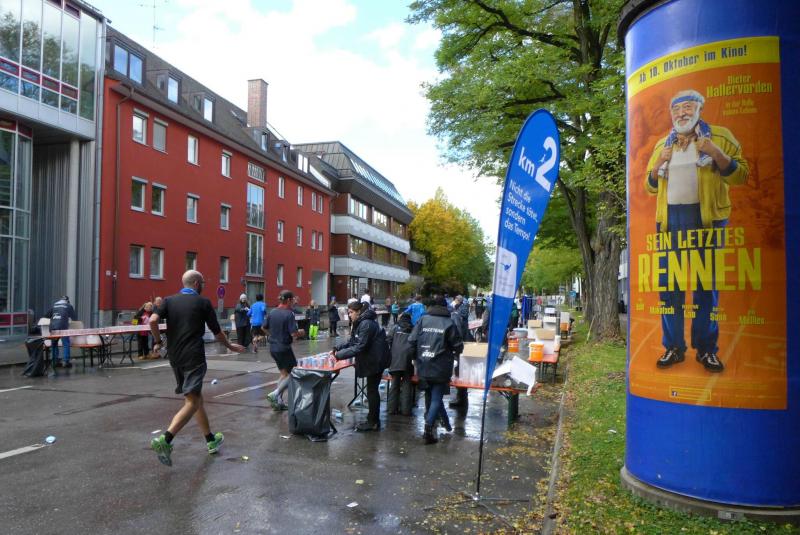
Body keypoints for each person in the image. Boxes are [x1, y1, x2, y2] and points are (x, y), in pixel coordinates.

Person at [646, 89, 748, 373]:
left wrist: (714, 152)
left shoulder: (720, 137)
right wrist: (658, 164)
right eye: (677, 109)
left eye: (688, 107)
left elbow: (741, 175)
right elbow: (649, 186)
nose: (682, 114)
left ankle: (706, 350)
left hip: (708, 220)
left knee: (706, 286)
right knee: (669, 287)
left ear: (700, 109)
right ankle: (674, 347)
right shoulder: (662, 145)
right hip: (669, 221)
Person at [148, 270, 245, 466]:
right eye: (203, 283)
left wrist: (157, 341)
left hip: (175, 357)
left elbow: (152, 320)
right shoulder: (203, 303)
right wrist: (231, 346)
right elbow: (217, 332)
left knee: (195, 398)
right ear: (196, 283)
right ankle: (166, 440)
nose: (204, 286)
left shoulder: (168, 301)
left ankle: (210, 439)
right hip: (194, 356)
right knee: (192, 402)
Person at [408, 295, 464, 444]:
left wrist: (415, 357)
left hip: (423, 364)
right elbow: (458, 346)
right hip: (441, 366)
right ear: (445, 307)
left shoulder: (422, 320)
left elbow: (411, 340)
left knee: (430, 395)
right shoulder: (449, 322)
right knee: (436, 398)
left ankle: (443, 424)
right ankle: (428, 429)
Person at [332, 301, 386, 431]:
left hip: (376, 360)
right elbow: (353, 341)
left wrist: (339, 355)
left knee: (372, 391)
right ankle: (373, 420)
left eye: (351, 312)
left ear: (359, 312)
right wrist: (338, 347)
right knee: (372, 390)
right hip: (374, 359)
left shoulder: (366, 324)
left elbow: (360, 346)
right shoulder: (361, 322)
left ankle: (373, 422)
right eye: (348, 312)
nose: (349, 315)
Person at [265, 290, 305, 410]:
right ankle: (275, 394)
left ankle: (278, 402)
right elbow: (293, 333)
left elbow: (263, 327)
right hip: (284, 348)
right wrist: (301, 332)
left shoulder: (272, 312)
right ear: (288, 300)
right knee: (294, 373)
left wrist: (272, 335)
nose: (293, 302)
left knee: (284, 374)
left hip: (273, 348)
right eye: (292, 300)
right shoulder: (289, 314)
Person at [386, 312, 414, 416]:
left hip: (395, 360)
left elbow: (388, 340)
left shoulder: (395, 328)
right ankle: (406, 411)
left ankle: (391, 409)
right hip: (408, 361)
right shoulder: (413, 329)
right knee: (407, 385)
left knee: (394, 385)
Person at [449, 295, 470, 408]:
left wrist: (456, 345)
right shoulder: (463, 311)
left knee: (459, 371)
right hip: (462, 344)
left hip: (459, 346)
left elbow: (457, 331)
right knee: (461, 370)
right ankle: (462, 397)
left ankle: (461, 398)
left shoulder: (455, 315)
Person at [47, 296, 77, 368]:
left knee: (54, 344)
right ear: (67, 301)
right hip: (63, 327)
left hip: (53, 327)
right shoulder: (68, 306)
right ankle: (66, 362)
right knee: (66, 343)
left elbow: (47, 315)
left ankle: (55, 362)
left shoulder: (54, 305)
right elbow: (74, 318)